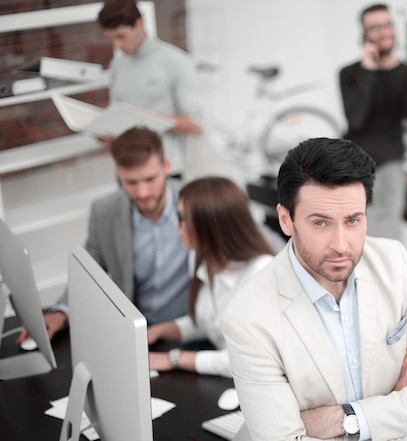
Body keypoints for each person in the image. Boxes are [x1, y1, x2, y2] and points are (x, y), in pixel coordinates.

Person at [221, 137, 407, 441]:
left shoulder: (395, 262)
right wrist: (395, 404)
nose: (341, 245)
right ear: (286, 220)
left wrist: (347, 419)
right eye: (321, 223)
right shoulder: (248, 316)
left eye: (353, 220)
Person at [18, 126, 189, 343]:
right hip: (132, 334)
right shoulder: (105, 211)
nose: (142, 193)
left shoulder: (196, 202)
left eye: (150, 179)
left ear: (167, 167)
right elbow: (89, 273)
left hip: (187, 331)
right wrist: (60, 313)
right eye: (131, 182)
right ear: (119, 175)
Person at [147, 177, 275, 376]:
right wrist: (161, 331)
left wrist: (174, 359)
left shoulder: (261, 272)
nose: (176, 225)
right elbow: (209, 323)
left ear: (209, 224)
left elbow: (246, 360)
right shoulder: (200, 257)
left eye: (182, 218)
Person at [339, 3, 407, 240]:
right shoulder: (349, 74)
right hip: (354, 160)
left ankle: (387, 276)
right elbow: (356, 119)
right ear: (364, 34)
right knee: (352, 227)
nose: (384, 31)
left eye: (388, 24)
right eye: (375, 27)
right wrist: (368, 70)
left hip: (389, 158)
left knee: (386, 229)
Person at [97, 0, 203, 178]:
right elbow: (116, 111)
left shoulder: (175, 61)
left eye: (121, 36)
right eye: (111, 39)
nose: (117, 46)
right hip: (126, 171)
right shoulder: (117, 64)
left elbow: (196, 125)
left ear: (139, 23)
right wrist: (106, 132)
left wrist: (144, 119)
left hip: (163, 172)